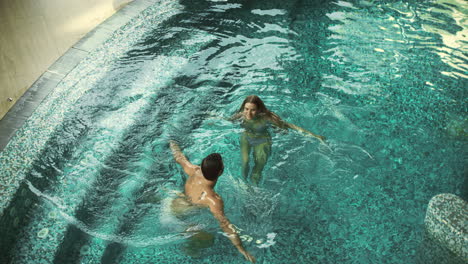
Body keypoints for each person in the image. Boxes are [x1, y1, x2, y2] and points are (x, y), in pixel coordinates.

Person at [169, 141, 256, 263]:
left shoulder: (194, 170)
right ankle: (188, 252)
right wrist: (241, 249)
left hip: (172, 204)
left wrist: (172, 144)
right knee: (208, 239)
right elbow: (225, 225)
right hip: (179, 219)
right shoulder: (213, 199)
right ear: (220, 172)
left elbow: (179, 157)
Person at [230, 95, 325, 185]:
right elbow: (226, 120)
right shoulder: (241, 115)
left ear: (259, 110)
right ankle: (243, 183)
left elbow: (288, 125)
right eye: (246, 109)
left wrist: (314, 136)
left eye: (253, 110)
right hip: (246, 137)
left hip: (262, 140)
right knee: (245, 161)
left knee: (259, 166)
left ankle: (254, 186)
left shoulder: (267, 117)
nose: (248, 113)